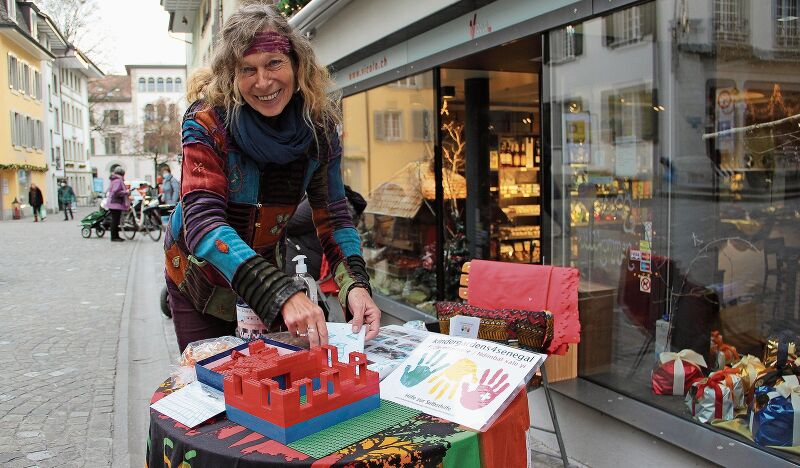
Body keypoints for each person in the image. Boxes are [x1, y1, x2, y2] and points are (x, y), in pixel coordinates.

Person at [164, 3, 379, 353]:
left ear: (297, 63)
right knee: (210, 381)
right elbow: (202, 224)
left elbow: (334, 217)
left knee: (271, 375)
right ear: (231, 76)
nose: (263, 82)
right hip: (199, 279)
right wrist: (282, 293)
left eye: (274, 63)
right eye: (247, 69)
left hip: (265, 274)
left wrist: (355, 285)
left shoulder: (320, 129)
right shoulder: (206, 122)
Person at [107, 167, 130, 242]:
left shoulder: (114, 180)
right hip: (115, 203)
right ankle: (114, 237)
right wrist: (126, 192)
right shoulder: (117, 181)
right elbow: (116, 192)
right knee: (115, 220)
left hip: (114, 203)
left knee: (115, 220)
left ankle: (115, 236)